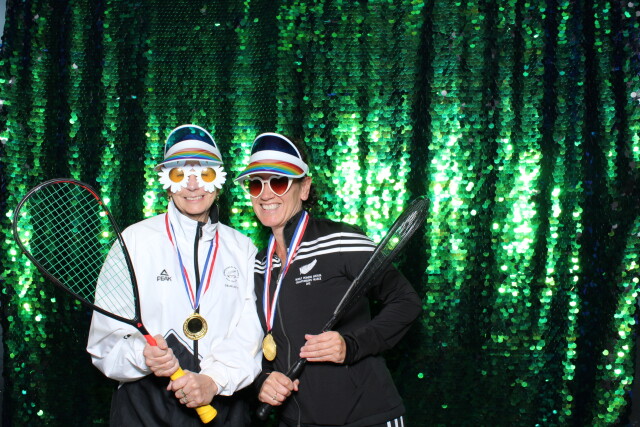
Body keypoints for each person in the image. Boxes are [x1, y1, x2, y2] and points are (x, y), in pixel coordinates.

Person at [234, 132, 422, 426]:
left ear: (305, 188)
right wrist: (263, 380)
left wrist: (351, 345)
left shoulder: (341, 240)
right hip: (296, 420)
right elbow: (257, 340)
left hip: (365, 416)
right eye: (256, 184)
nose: (266, 194)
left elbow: (406, 301)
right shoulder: (258, 264)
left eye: (279, 182)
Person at [87, 124, 263, 426]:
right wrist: (142, 355)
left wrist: (213, 380)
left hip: (222, 406)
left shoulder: (242, 248)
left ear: (219, 181)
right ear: (167, 184)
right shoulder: (134, 241)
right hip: (144, 408)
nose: (193, 186)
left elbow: (250, 333)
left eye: (205, 173)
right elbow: (104, 343)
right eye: (180, 175)